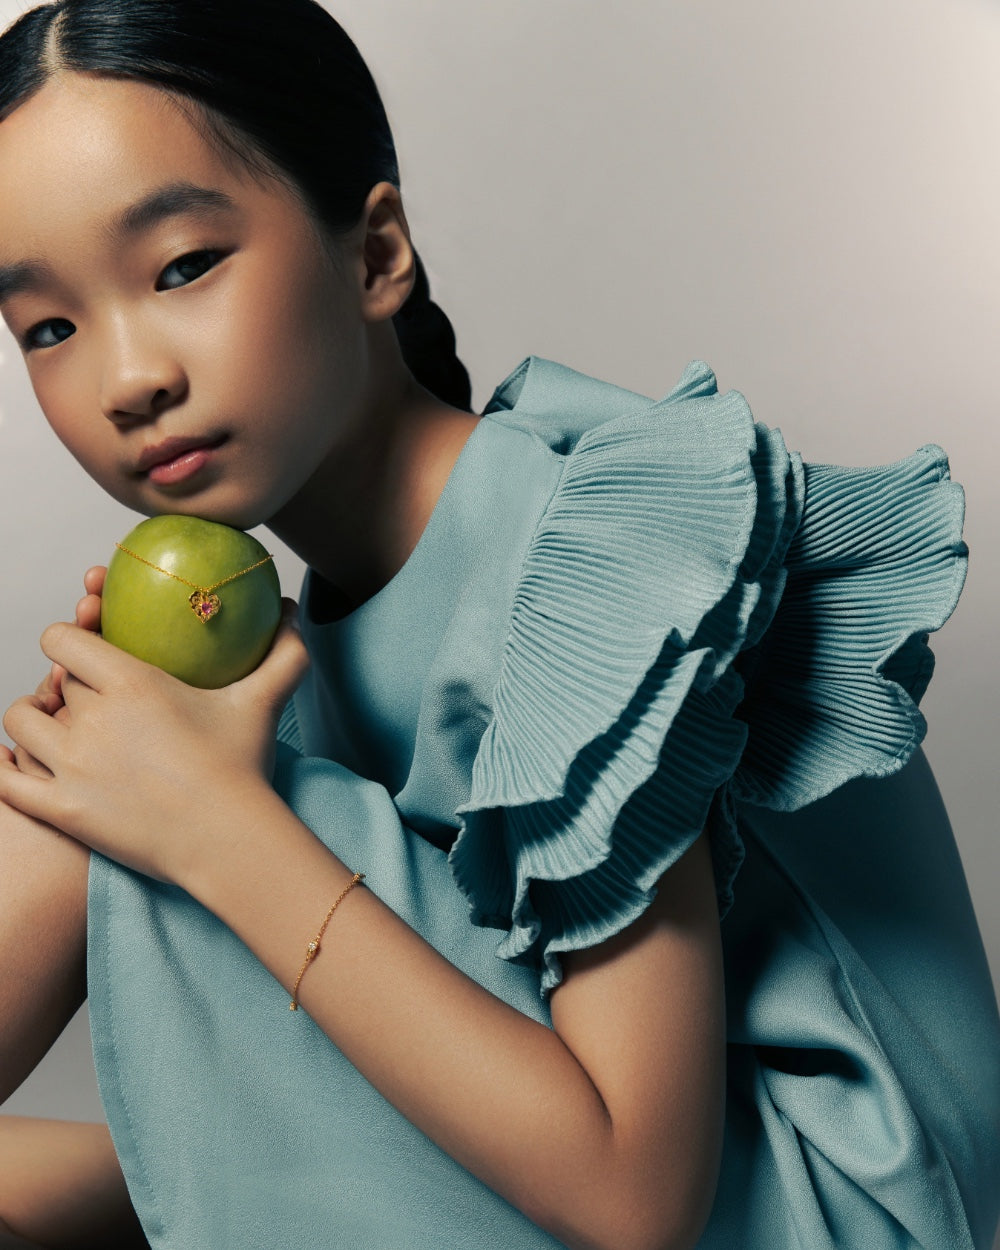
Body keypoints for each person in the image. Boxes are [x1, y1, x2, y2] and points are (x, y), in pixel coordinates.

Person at [0, 1, 996, 1247]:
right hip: (552, 1158)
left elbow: (635, 1195)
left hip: (815, 1209)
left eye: (184, 265)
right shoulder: (302, 631)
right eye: (49, 326)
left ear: (372, 255)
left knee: (130, 777)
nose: (128, 375)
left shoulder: (580, 558)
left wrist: (208, 818)